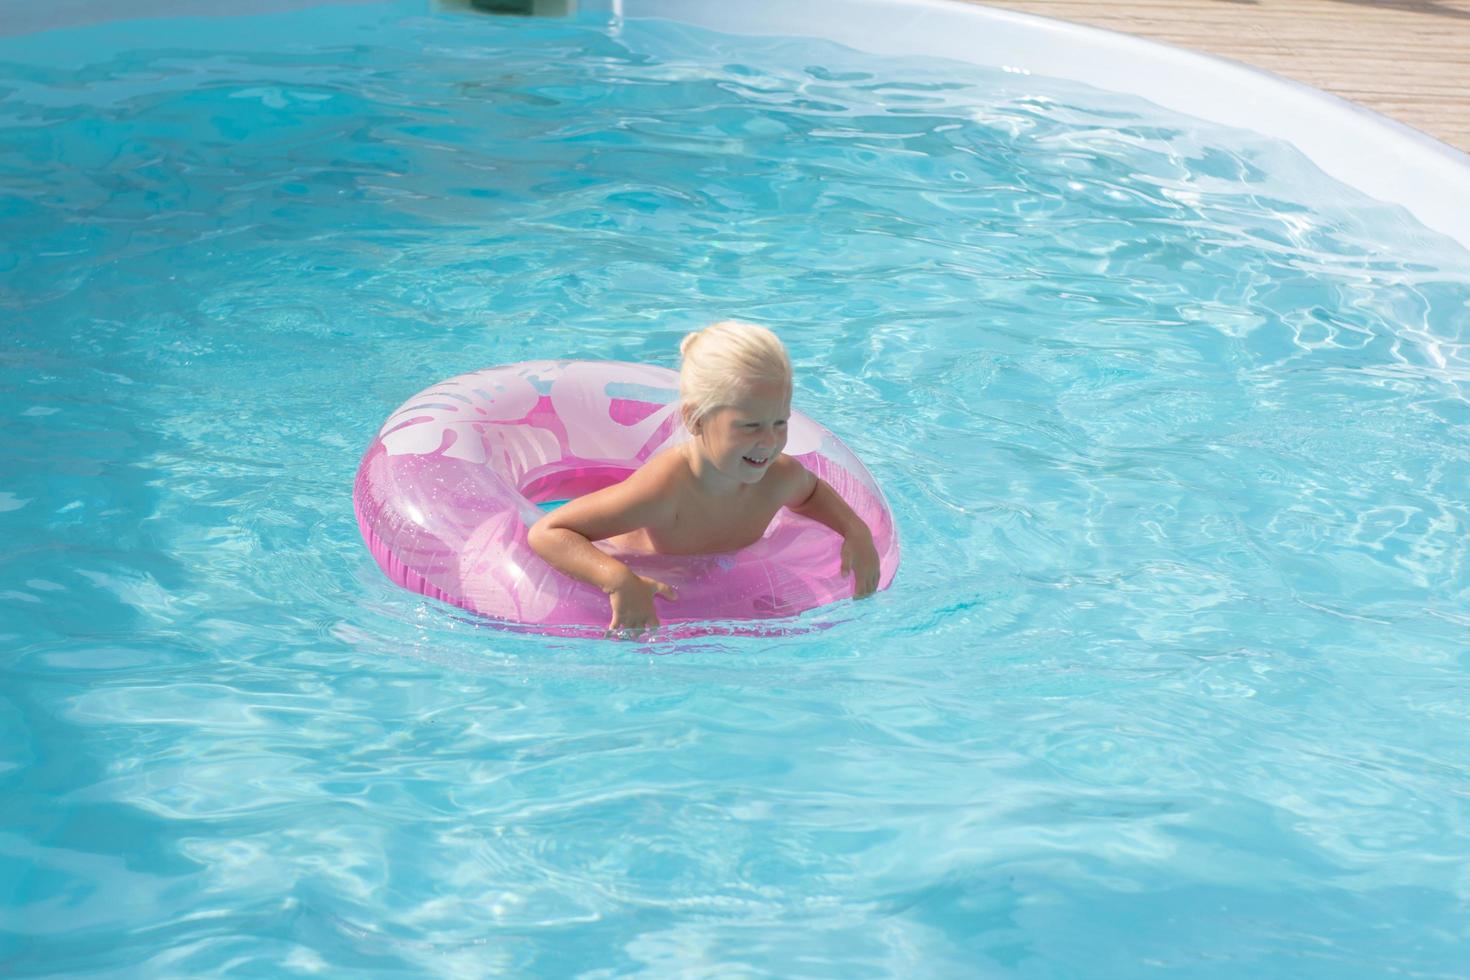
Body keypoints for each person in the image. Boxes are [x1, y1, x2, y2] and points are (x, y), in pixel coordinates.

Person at [527, 320, 881, 634]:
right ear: (696, 419)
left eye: (780, 422)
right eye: (750, 426)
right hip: (635, 574)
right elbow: (550, 531)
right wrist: (617, 579)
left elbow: (811, 493)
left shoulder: (779, 477)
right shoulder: (665, 489)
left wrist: (854, 529)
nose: (770, 442)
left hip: (715, 581)